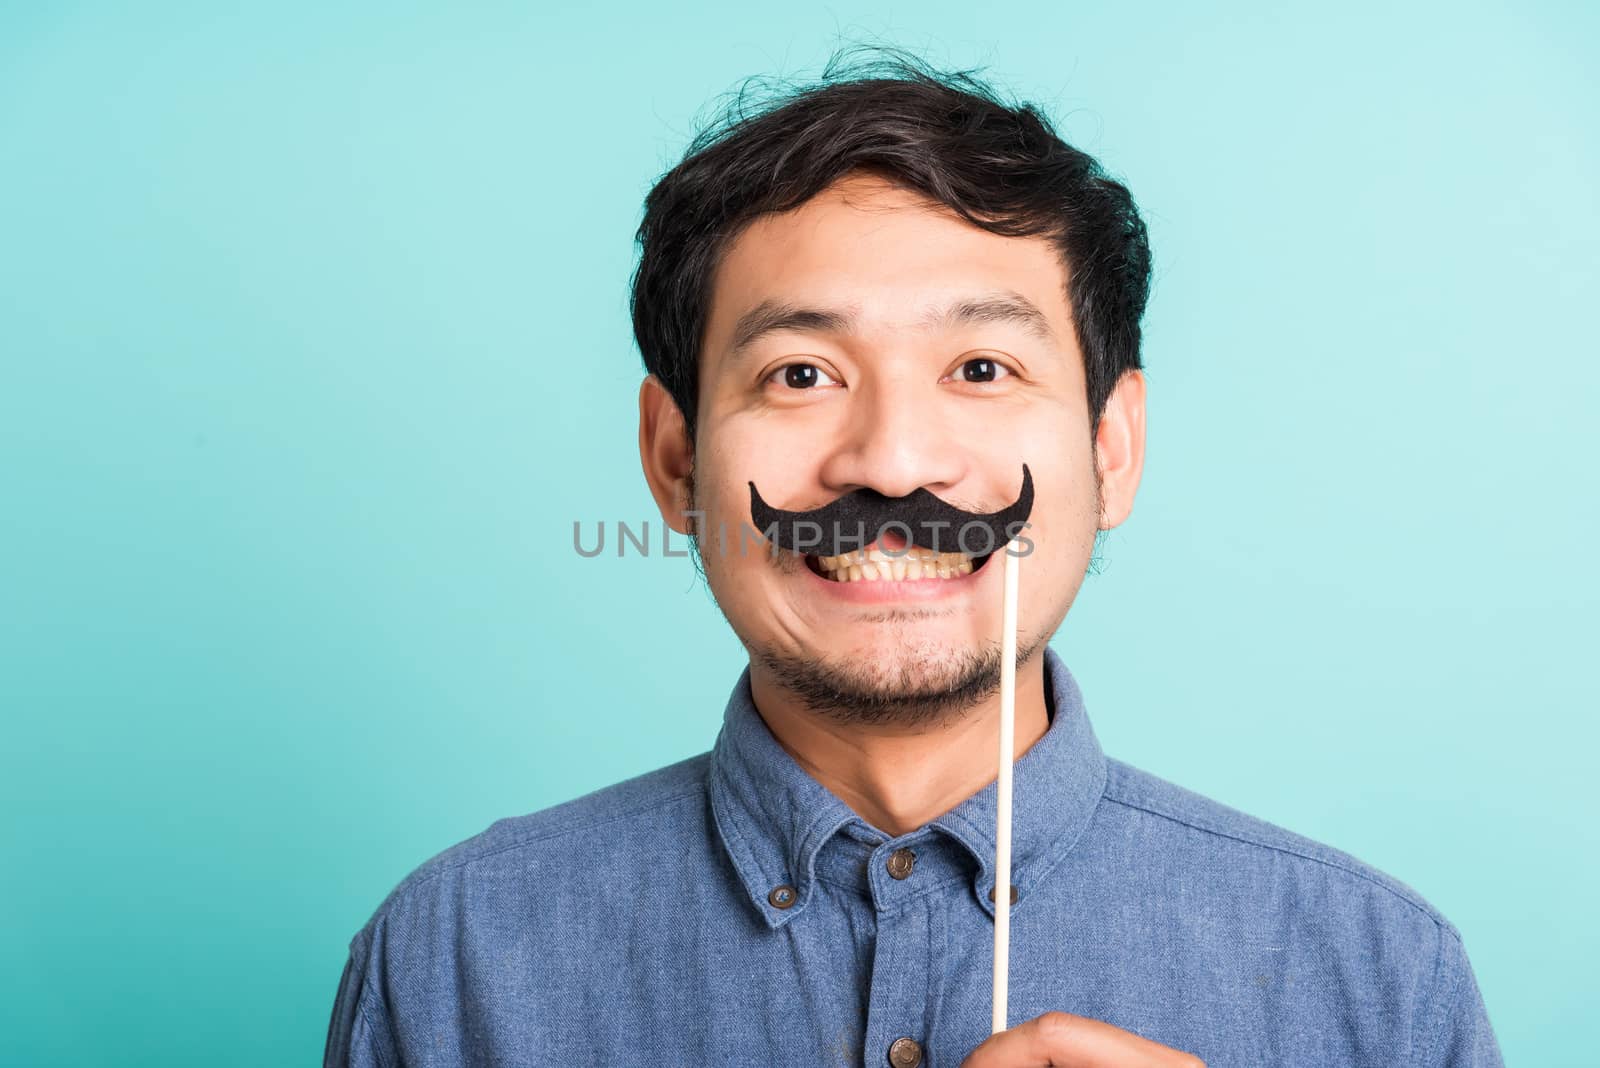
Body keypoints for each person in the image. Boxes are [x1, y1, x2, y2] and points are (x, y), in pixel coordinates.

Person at [324, 47, 1502, 1067]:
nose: (890, 463)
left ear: (1113, 448)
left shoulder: (1377, 979)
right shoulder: (454, 959)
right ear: (674, 461)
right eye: (800, 374)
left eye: (981, 369)